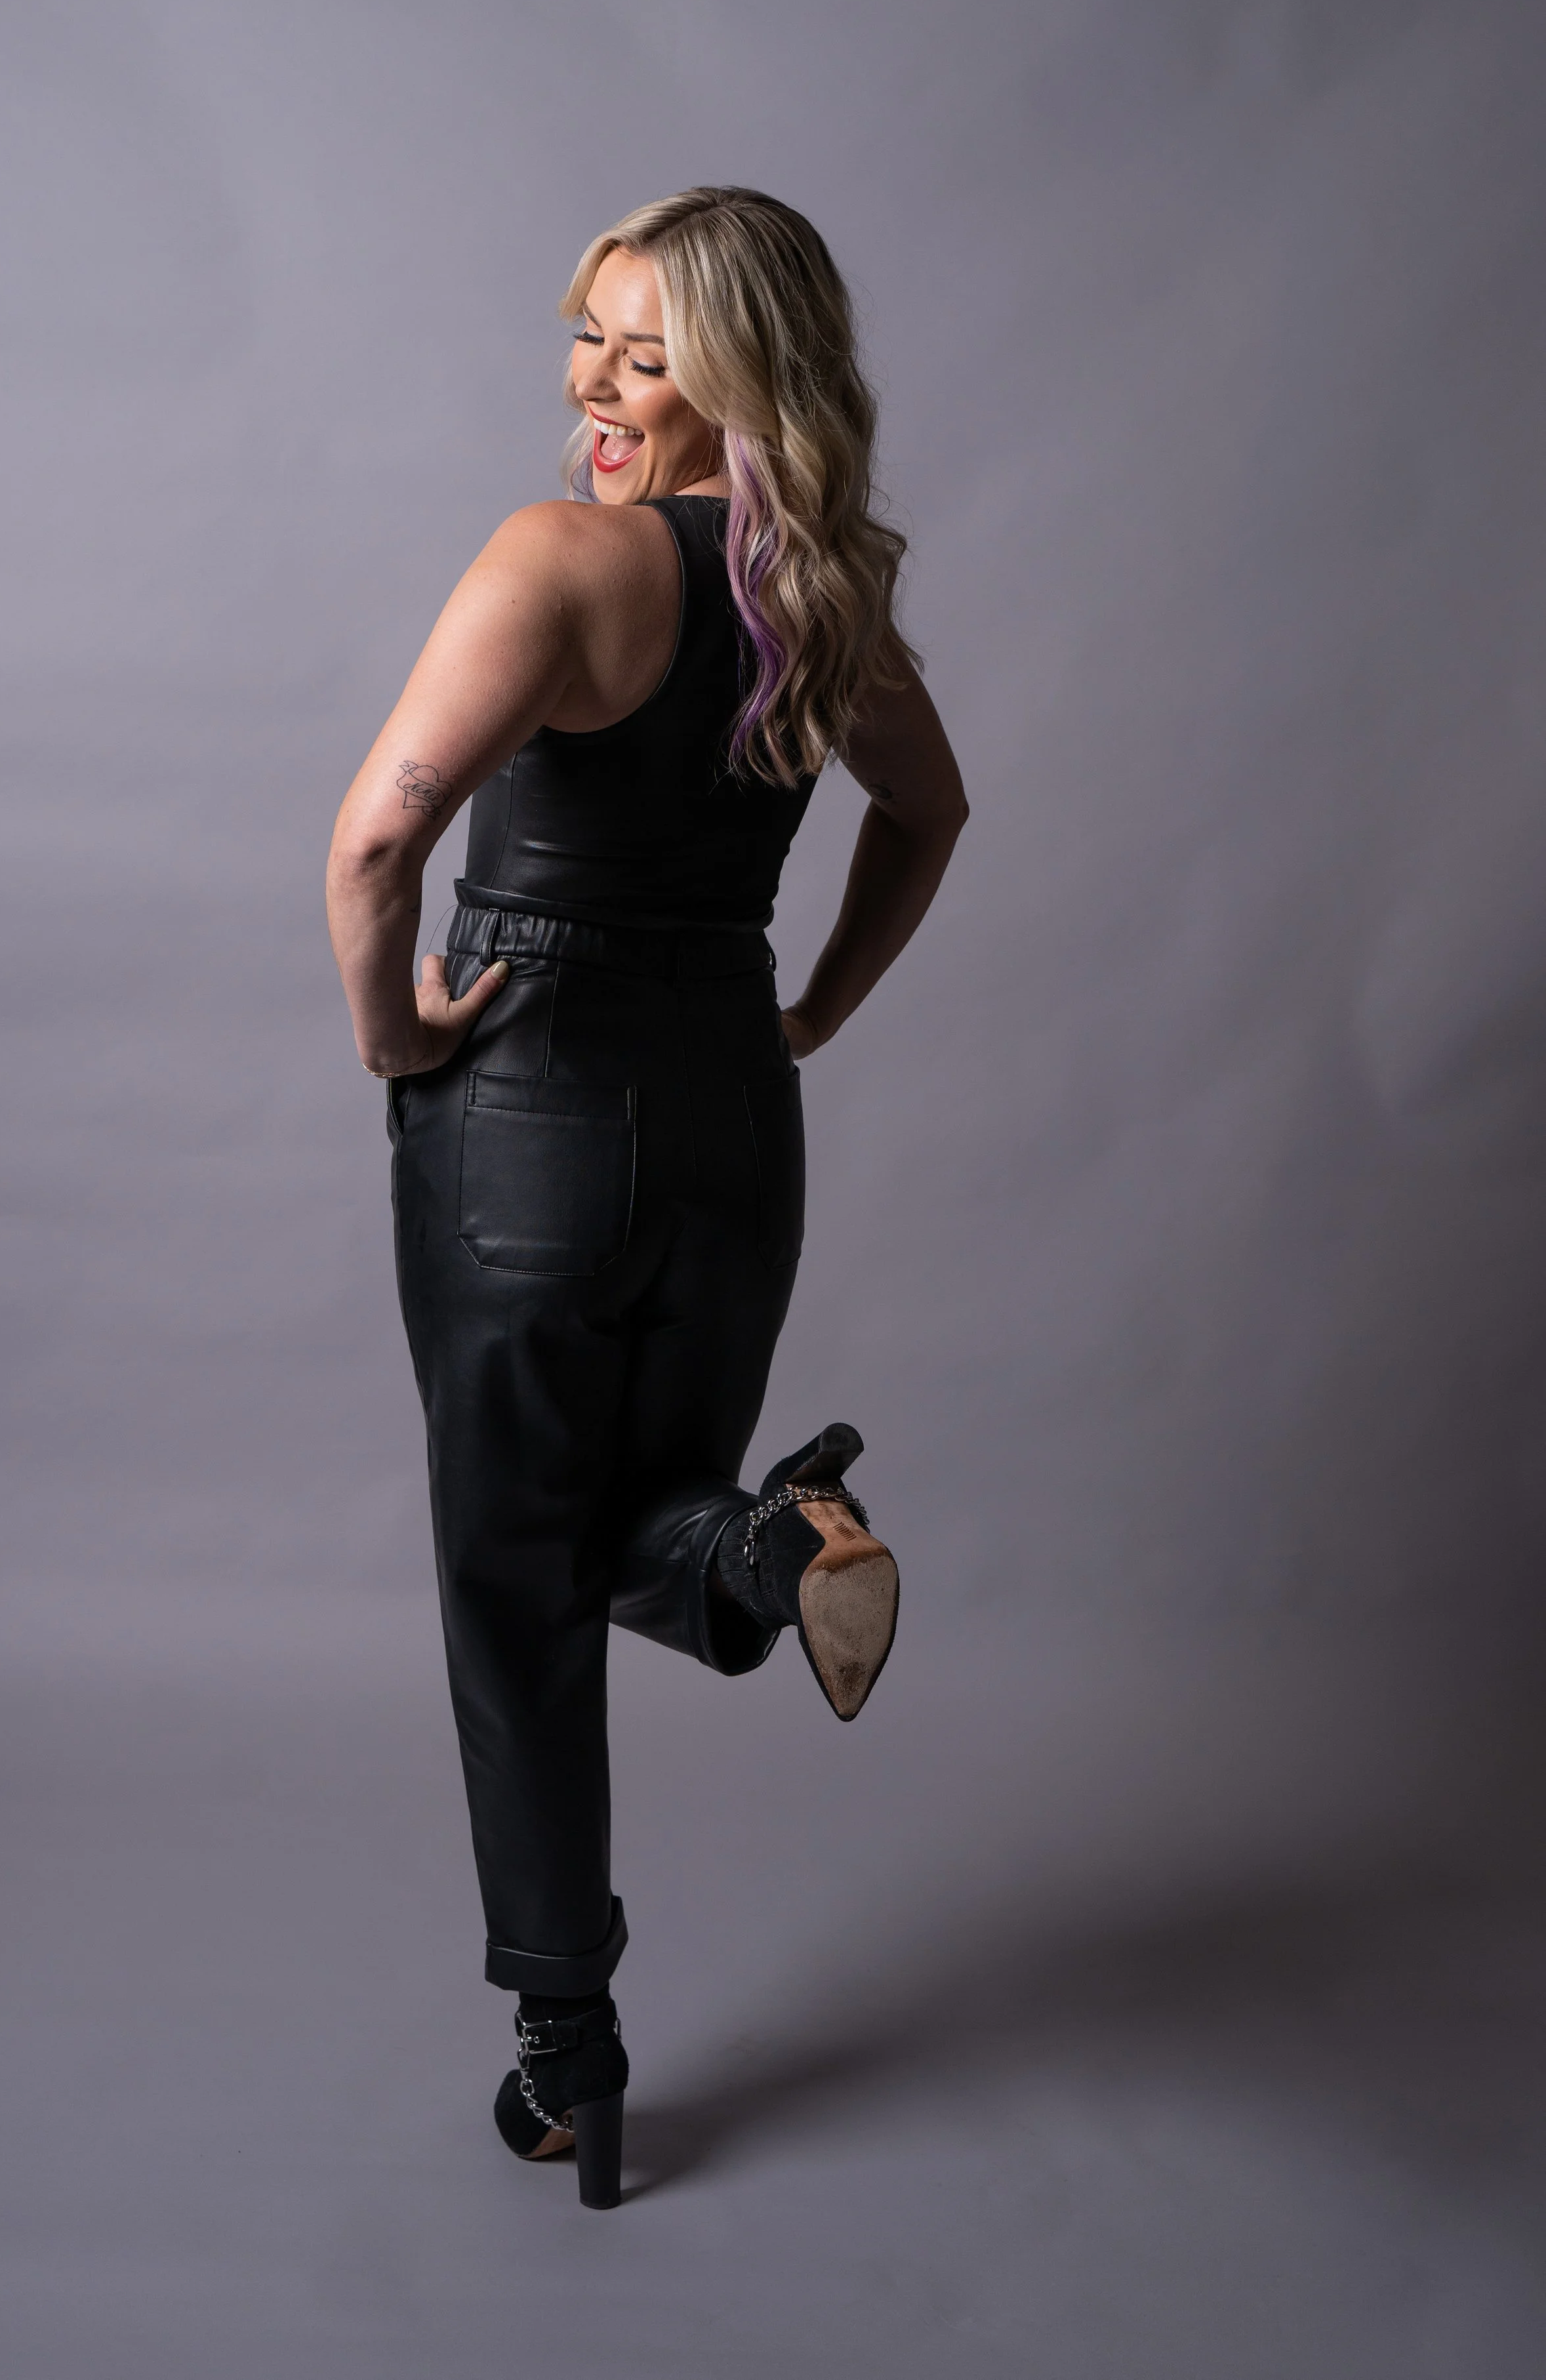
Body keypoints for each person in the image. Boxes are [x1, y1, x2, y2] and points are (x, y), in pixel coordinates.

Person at [326, 188, 967, 2207]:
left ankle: (564, 2045)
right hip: (727, 1119)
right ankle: (774, 1548)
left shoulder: (560, 561)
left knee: (515, 1581)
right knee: (638, 1526)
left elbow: (376, 843)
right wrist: (810, 1013)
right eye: (585, 336)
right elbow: (929, 808)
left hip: (524, 1108)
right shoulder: (820, 589)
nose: (591, 385)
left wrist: (395, 1035)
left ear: (741, 373)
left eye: (643, 351)